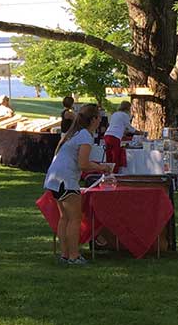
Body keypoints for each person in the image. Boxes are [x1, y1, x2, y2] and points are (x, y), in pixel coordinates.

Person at [44, 103, 114, 266]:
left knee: (64, 218)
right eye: (99, 118)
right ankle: (74, 256)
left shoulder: (73, 133)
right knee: (74, 219)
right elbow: (83, 164)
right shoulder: (85, 136)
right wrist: (102, 167)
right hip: (66, 179)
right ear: (95, 119)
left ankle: (65, 254)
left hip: (55, 178)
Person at [102, 101, 137, 173]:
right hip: (115, 137)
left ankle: (107, 171)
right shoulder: (125, 115)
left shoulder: (115, 114)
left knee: (109, 155)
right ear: (128, 108)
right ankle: (115, 172)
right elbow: (129, 128)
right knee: (116, 155)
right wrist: (139, 132)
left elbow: (115, 125)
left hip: (107, 134)